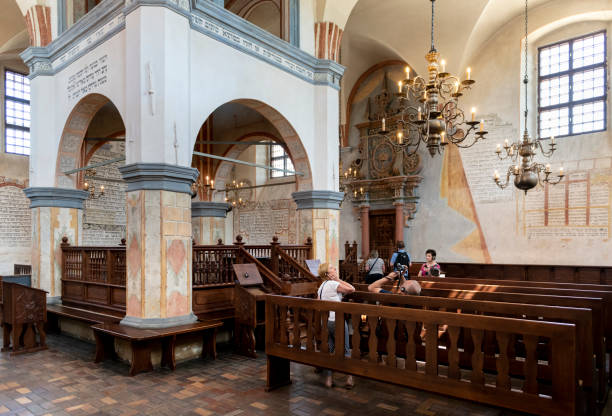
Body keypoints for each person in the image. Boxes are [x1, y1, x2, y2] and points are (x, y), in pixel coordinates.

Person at [317, 263, 356, 388]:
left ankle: (329, 379)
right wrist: (337, 279)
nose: (335, 269)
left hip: (325, 322)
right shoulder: (333, 284)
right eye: (332, 268)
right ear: (328, 274)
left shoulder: (321, 286)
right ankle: (349, 378)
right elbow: (352, 289)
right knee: (345, 348)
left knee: (331, 349)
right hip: (336, 320)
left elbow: (319, 301)